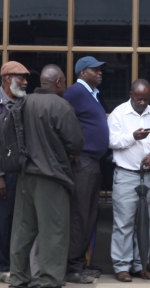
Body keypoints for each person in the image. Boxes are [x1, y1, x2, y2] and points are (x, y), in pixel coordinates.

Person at [9, 73, 85, 288]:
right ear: (58, 82)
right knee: (54, 232)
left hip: (26, 175)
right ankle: (50, 280)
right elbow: (76, 143)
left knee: (22, 231)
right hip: (52, 176)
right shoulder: (61, 106)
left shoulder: (24, 102)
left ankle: (18, 278)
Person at [63, 56, 110, 283]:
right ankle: (71, 266)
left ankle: (81, 263)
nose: (100, 72)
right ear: (83, 73)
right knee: (79, 217)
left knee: (89, 216)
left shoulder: (92, 94)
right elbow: (61, 122)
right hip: (82, 163)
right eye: (95, 70)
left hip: (93, 164)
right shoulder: (73, 93)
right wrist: (70, 150)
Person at [108, 79, 150, 282]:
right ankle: (122, 266)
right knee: (124, 223)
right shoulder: (118, 113)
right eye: (138, 98)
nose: (142, 102)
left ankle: (141, 265)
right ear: (131, 95)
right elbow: (111, 141)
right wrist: (133, 136)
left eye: (146, 99)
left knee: (148, 223)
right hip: (126, 175)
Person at [0, 61, 30, 284]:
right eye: (20, 77)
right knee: (2, 221)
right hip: (3, 174)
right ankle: (3, 267)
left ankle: (18, 266)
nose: (25, 81)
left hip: (24, 172)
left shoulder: (25, 102)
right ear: (6, 79)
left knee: (21, 222)